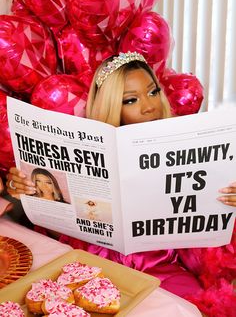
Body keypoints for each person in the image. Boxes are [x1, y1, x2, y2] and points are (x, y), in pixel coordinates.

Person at [5, 52, 236, 315]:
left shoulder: (186, 145)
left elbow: (206, 243)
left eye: (152, 92)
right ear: (113, 106)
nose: (150, 106)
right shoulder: (88, 149)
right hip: (99, 265)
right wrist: (24, 190)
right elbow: (59, 226)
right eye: (131, 100)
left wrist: (226, 201)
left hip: (166, 267)